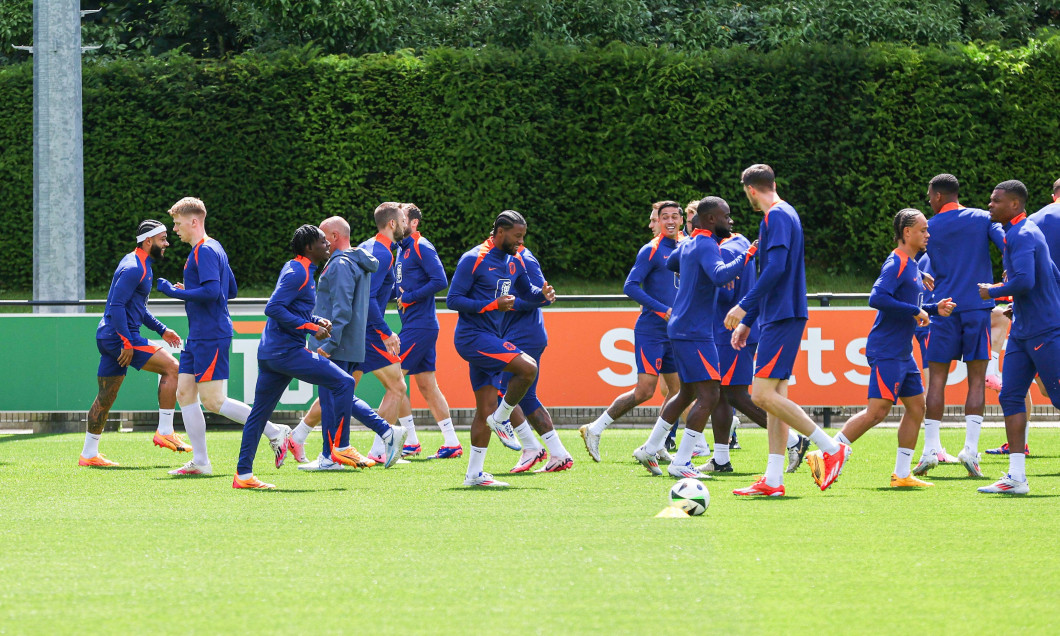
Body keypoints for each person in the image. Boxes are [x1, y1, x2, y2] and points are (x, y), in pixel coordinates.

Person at [233, 225, 405, 489]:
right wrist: (310, 327)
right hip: (286, 353)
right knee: (344, 383)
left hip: (273, 353)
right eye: (323, 242)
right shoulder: (297, 272)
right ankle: (342, 447)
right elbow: (273, 308)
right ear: (309, 247)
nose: (328, 245)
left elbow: (291, 309)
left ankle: (243, 475)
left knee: (259, 414)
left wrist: (314, 320)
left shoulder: (302, 269)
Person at [725, 164, 850, 496]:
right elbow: (773, 270)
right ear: (772, 184)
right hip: (776, 315)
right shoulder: (781, 215)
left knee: (760, 395)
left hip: (783, 315)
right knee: (775, 397)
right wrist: (750, 321)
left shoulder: (777, 216)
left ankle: (831, 447)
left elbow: (776, 269)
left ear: (750, 190)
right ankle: (773, 479)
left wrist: (743, 306)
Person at [809, 209, 955, 488]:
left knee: (916, 408)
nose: (928, 234)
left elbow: (907, 304)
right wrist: (916, 310)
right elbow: (877, 297)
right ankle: (826, 451)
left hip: (902, 352)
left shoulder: (912, 264)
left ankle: (902, 475)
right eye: (923, 230)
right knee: (878, 411)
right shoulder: (896, 263)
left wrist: (935, 308)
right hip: (887, 349)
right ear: (907, 233)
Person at [156, 197, 291, 475]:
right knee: (184, 393)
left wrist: (175, 292)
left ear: (194, 221)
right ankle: (202, 463)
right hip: (200, 334)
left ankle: (275, 431)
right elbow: (230, 290)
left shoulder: (204, 251)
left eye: (178, 224)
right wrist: (190, 289)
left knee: (214, 401)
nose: (176, 229)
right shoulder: (212, 247)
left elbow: (212, 293)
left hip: (210, 334)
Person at [632, 197, 751, 479]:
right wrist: (748, 255)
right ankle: (682, 462)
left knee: (686, 392)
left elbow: (674, 262)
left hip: (682, 327)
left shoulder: (687, 243)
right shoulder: (707, 243)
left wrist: (697, 272)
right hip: (695, 331)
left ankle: (650, 448)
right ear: (711, 220)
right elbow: (721, 276)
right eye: (726, 216)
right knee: (710, 394)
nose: (730, 221)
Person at [291, 203, 414, 465]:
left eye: (323, 238)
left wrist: (334, 340)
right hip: (354, 336)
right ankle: (330, 449)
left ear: (334, 237)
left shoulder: (350, 260)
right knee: (342, 392)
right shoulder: (368, 255)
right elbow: (361, 299)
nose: (320, 244)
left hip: (342, 338)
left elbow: (346, 305)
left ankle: (371, 439)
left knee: (341, 392)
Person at [446, 211, 555, 487]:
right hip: (472, 337)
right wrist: (492, 305)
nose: (521, 242)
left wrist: (543, 296)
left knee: (484, 409)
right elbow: (452, 299)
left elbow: (527, 294)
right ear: (500, 231)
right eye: (517, 236)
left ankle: (474, 475)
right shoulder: (474, 258)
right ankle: (502, 417)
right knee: (528, 367)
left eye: (523, 237)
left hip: (491, 335)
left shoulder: (515, 259)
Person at [703, 201, 810, 474]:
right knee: (724, 394)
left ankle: (801, 440)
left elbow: (730, 292)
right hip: (739, 328)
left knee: (739, 394)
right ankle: (722, 458)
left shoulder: (727, 249)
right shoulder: (740, 244)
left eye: (693, 220)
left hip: (730, 329)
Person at [915, 174, 1005, 479]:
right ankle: (970, 450)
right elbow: (1007, 243)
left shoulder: (928, 226)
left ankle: (930, 450)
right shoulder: (982, 218)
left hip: (944, 309)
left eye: (929, 195)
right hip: (977, 307)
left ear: (939, 197)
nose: (928, 199)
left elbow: (908, 261)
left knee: (937, 379)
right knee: (977, 379)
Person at [579, 202, 685, 462]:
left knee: (678, 391)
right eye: (664, 217)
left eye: (675, 216)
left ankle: (656, 444)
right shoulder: (651, 250)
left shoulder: (687, 245)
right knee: (645, 391)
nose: (670, 221)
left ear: (681, 220)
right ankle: (595, 428)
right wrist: (662, 310)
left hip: (676, 331)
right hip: (652, 329)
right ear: (657, 222)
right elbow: (630, 286)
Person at [977, 180, 1060, 494]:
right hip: (1025, 329)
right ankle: (1016, 478)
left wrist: (993, 291)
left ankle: (1016, 477)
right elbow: (1052, 274)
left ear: (1014, 204)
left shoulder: (1023, 233)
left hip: (1044, 330)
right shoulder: (1021, 232)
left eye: (995, 201)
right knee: (1010, 396)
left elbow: (1024, 281)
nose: (990, 205)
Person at [80, 220, 184, 467]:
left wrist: (162, 329)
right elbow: (116, 306)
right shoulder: (135, 268)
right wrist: (127, 341)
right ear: (148, 241)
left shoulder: (137, 262)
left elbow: (135, 307)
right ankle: (165, 430)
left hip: (109, 336)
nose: (167, 243)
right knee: (172, 367)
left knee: (106, 396)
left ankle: (88, 454)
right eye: (163, 239)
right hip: (120, 337)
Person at [499, 242, 574, 473]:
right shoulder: (504, 257)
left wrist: (508, 304)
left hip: (524, 335)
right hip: (518, 334)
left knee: (500, 390)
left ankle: (531, 448)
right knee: (527, 397)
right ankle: (558, 453)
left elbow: (542, 297)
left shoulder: (524, 259)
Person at [395, 203, 462, 459]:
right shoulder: (402, 249)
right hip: (414, 324)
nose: (397, 222)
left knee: (393, 379)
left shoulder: (422, 245)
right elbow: (399, 287)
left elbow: (440, 280)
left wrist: (410, 297)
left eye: (401, 219)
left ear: (413, 223)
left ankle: (405, 441)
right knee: (427, 386)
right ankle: (451, 443)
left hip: (420, 325)